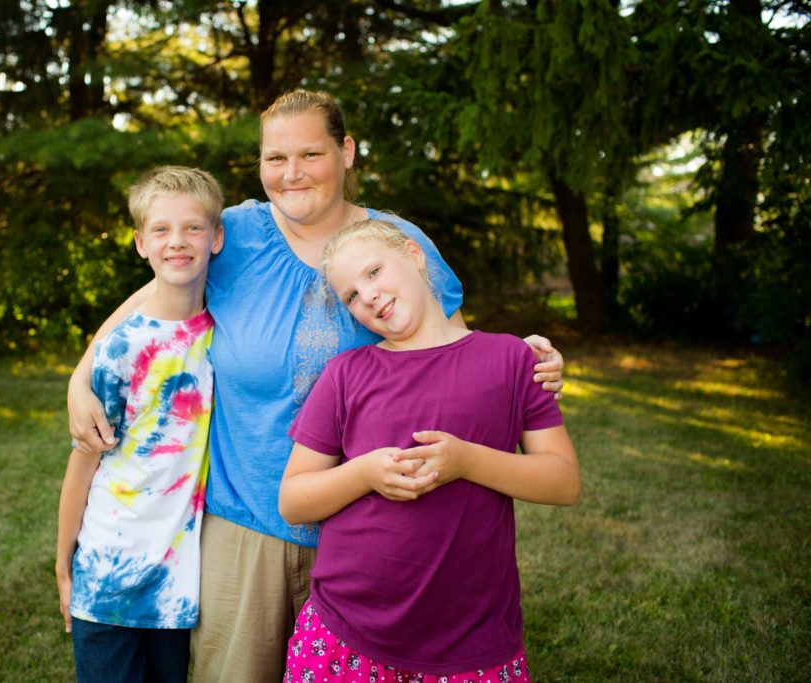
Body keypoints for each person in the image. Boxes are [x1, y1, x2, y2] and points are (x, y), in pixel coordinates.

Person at [67, 90, 566, 682]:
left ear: (347, 151)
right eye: (275, 158)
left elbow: (447, 347)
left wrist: (527, 362)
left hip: (373, 528)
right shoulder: (233, 235)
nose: (291, 173)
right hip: (245, 519)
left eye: (310, 153)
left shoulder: (392, 242)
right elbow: (154, 299)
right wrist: (82, 376)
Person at [278, 218, 580, 682]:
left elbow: (563, 482)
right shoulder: (345, 375)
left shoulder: (512, 360)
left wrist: (467, 461)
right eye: (352, 296)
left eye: (374, 272)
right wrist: (363, 474)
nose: (369, 296)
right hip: (345, 631)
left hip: (471, 638)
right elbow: (294, 501)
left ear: (414, 255)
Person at [55, 166, 224, 683]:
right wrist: (63, 567)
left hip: (176, 582)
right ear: (140, 243)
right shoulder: (122, 348)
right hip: (107, 575)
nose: (178, 241)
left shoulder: (223, 334)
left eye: (193, 228)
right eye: (161, 230)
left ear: (217, 238)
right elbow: (84, 461)